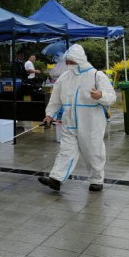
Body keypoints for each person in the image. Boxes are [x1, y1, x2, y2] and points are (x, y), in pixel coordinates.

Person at [38, 44, 116, 192]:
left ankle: (96, 180)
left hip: (91, 122)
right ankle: (56, 178)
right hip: (70, 121)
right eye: (67, 61)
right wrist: (49, 115)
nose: (68, 64)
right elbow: (55, 100)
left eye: (71, 61)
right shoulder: (64, 77)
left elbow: (112, 97)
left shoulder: (96, 75)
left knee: (93, 151)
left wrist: (101, 96)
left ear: (80, 60)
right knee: (66, 150)